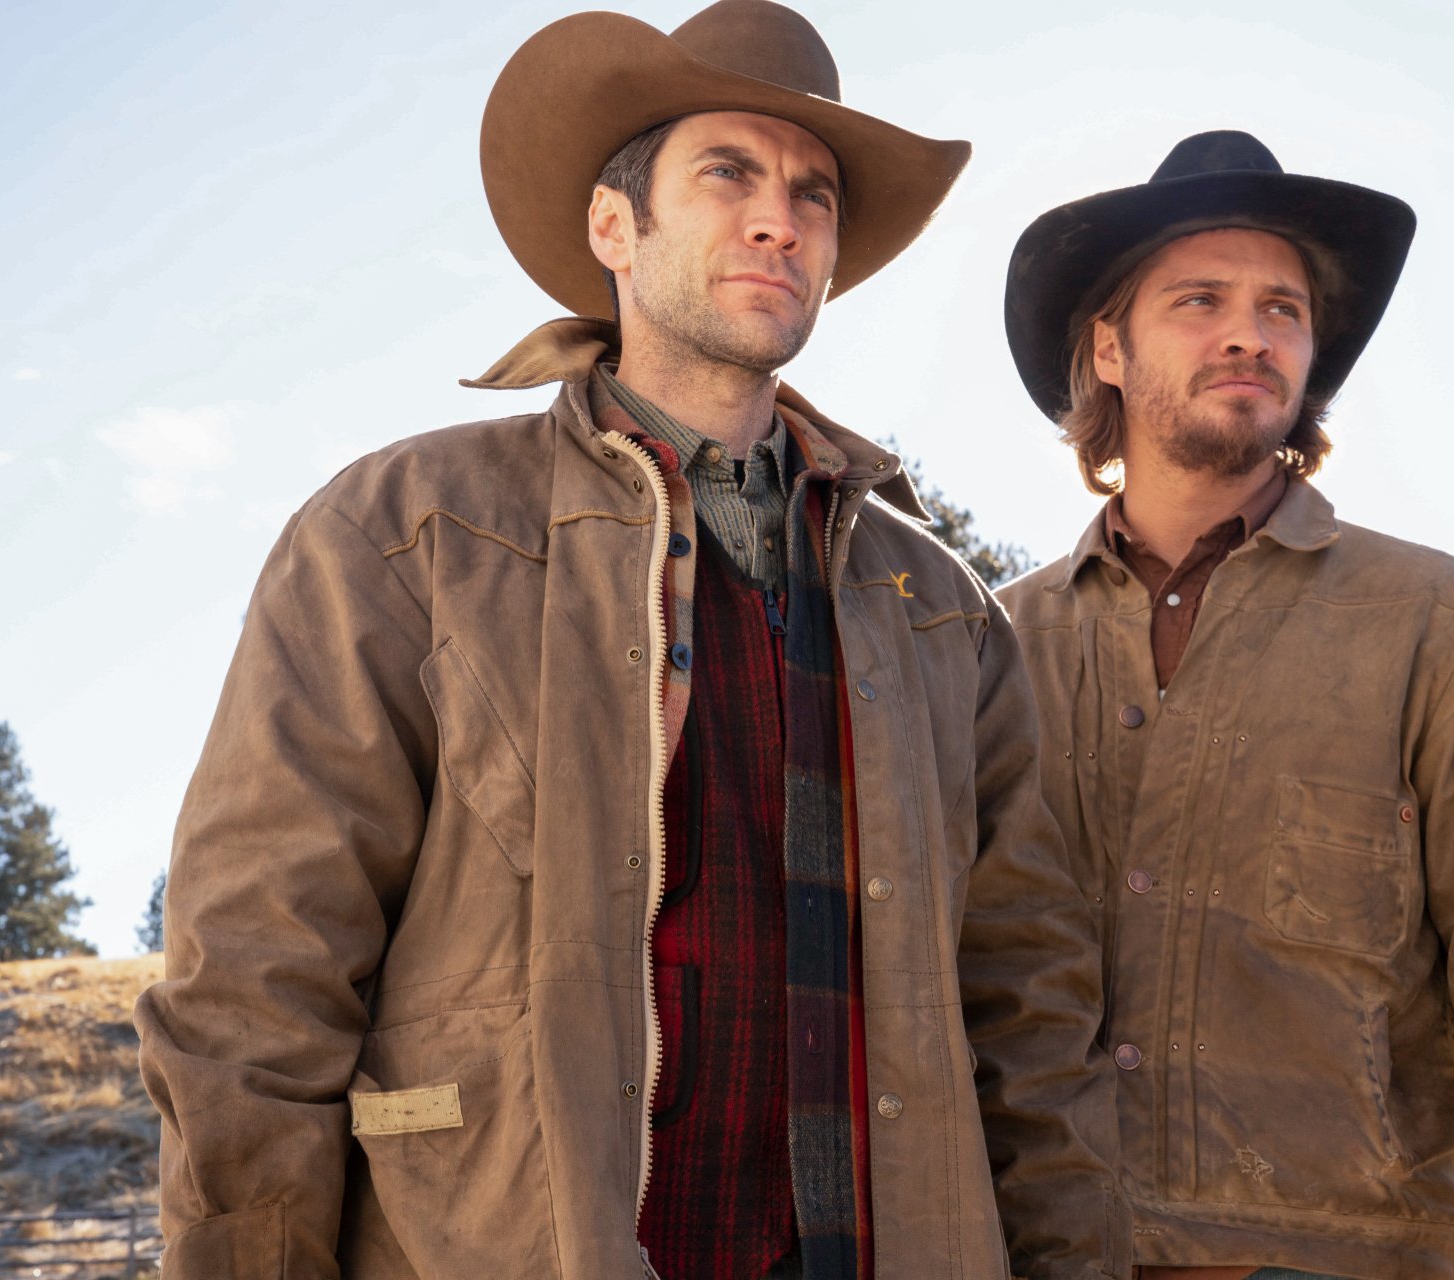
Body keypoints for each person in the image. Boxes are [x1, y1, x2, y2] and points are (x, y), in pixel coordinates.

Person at [135, 5, 1124, 1277]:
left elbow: (1030, 1016)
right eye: (728, 174)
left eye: (813, 194)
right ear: (615, 225)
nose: (779, 219)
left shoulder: (941, 610)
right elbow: (258, 978)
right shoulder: (407, 533)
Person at [995, 131, 1454, 1280]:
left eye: (1283, 309)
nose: (1250, 332)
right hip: (1033, 1253)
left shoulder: (1442, 624)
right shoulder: (987, 646)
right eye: (1200, 299)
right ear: (1107, 346)